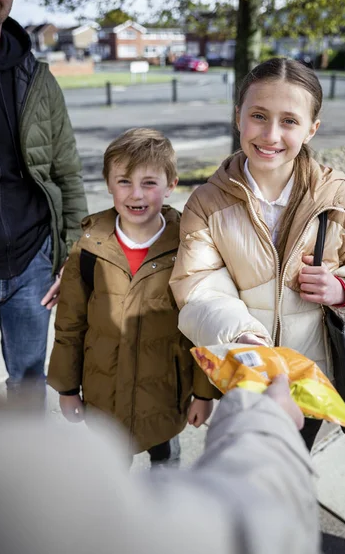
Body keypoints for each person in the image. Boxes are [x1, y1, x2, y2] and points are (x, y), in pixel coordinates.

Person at [170, 57, 345, 451]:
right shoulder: (206, 202)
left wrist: (344, 289)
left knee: (292, 460)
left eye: (289, 121)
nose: (270, 134)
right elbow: (197, 284)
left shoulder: (339, 200)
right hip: (247, 372)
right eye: (258, 115)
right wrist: (241, 334)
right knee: (245, 463)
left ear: (311, 129)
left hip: (310, 377)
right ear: (238, 117)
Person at [0, 375, 321, 554]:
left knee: (166, 448)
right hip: (113, 401)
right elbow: (252, 527)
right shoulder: (22, 486)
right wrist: (267, 422)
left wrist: (202, 394)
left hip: (163, 405)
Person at [47, 128, 220, 466]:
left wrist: (203, 392)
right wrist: (66, 389)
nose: (136, 194)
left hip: (166, 395)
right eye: (124, 181)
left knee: (165, 464)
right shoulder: (88, 248)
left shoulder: (189, 247)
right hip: (103, 394)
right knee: (108, 476)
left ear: (171, 185)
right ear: (109, 184)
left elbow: (202, 329)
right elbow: (69, 326)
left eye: (149, 183)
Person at [0, 0, 87, 394]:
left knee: (29, 385)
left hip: (33, 266)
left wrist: (72, 255)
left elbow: (67, 173)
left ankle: (20, 466)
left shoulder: (39, 80)